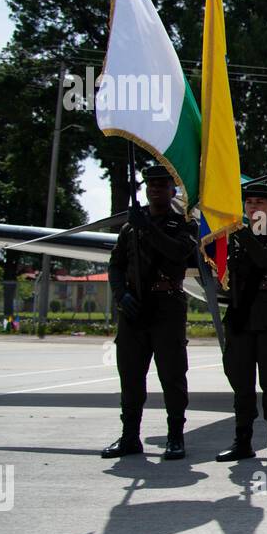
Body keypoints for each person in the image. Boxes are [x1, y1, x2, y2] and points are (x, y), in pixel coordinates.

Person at [102, 163, 196, 460]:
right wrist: (121, 296)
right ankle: (130, 436)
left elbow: (179, 253)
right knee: (130, 376)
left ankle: (175, 437)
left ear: (172, 190)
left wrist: (148, 229)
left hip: (167, 306)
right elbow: (115, 265)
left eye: (161, 185)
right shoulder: (130, 227)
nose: (155, 189)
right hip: (134, 308)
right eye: (151, 185)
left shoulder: (183, 224)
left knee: (172, 375)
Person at [217, 182, 267, 463]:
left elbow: (264, 259)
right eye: (249, 203)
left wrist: (243, 233)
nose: (254, 208)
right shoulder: (231, 238)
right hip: (240, 313)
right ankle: (243, 441)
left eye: (260, 203)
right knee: (241, 382)